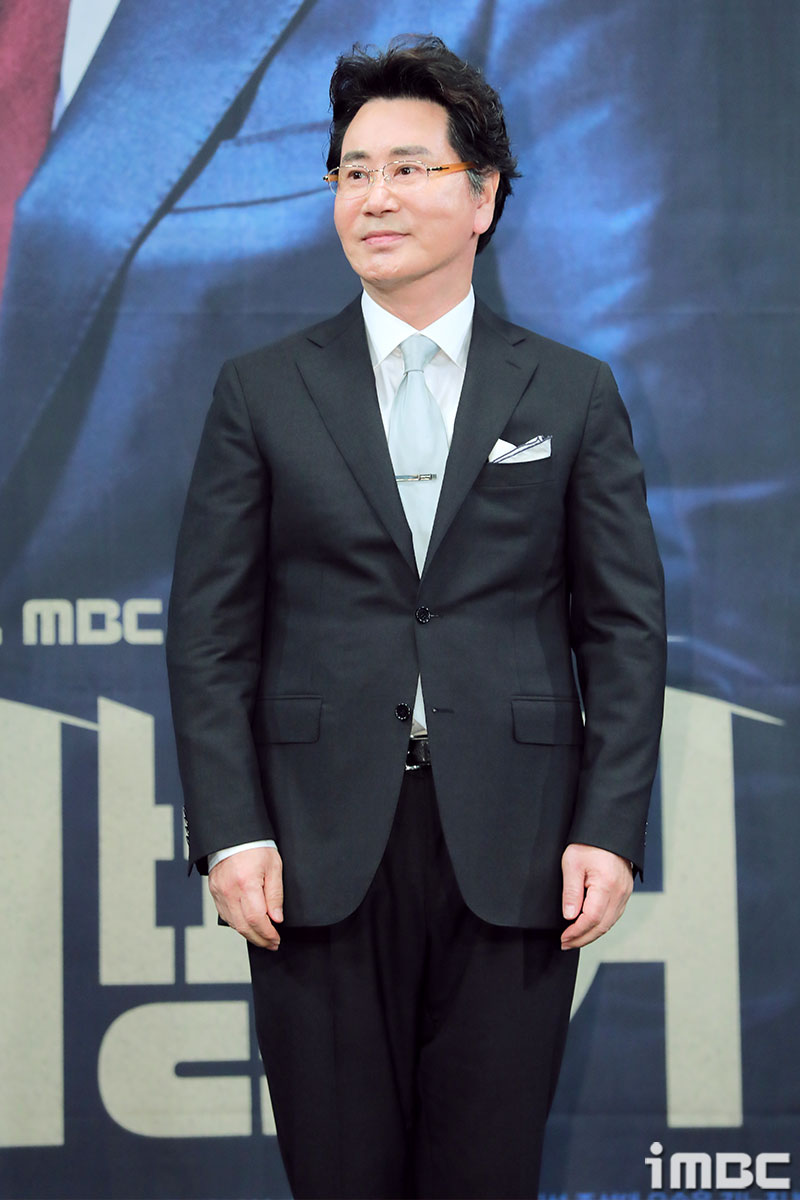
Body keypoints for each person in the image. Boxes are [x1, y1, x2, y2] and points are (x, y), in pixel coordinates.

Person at [166, 34, 666, 1200]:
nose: (373, 197)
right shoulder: (261, 390)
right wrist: (231, 833)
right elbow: (209, 633)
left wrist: (607, 830)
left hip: (517, 844)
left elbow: (623, 630)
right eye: (351, 172)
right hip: (313, 848)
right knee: (338, 1173)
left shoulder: (570, 391)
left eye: (407, 168)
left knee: (484, 1172)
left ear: (482, 197)